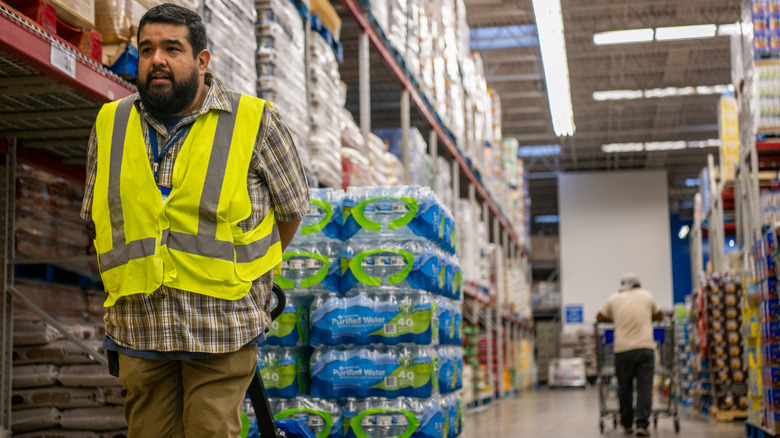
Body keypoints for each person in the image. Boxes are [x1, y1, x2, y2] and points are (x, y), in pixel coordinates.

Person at [80, 4, 309, 437]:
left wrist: (244, 274)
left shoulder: (256, 121)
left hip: (220, 326)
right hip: (140, 327)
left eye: (172, 49)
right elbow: (97, 216)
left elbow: (291, 211)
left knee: (211, 430)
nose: (157, 60)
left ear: (202, 60)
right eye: (147, 50)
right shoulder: (110, 124)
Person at [597, 273, 664, 437]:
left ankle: (627, 423)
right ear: (637, 285)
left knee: (624, 388)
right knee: (644, 388)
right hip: (645, 348)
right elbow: (660, 316)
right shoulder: (647, 296)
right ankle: (642, 424)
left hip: (622, 350)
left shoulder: (614, 298)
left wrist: (616, 317)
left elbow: (599, 317)